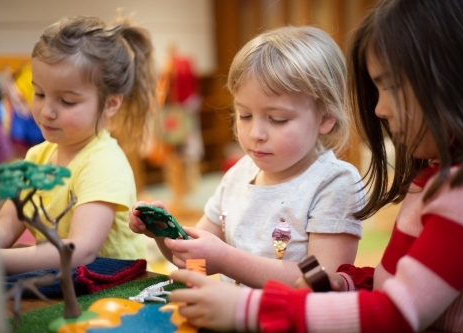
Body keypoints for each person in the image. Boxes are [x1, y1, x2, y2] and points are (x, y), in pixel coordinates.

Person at [166, 0, 463, 331]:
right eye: (244, 115)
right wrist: (346, 284)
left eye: (390, 87)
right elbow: (386, 284)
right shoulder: (438, 177)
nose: (379, 109)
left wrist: (246, 308)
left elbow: (398, 314)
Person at [130, 25, 365, 288]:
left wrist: (225, 259)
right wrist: (166, 234)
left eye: (277, 119)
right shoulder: (238, 175)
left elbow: (322, 282)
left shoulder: (334, 183)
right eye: (245, 115)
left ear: (326, 117)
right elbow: (196, 263)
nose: (256, 133)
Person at [0, 15, 157, 275]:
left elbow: (81, 250)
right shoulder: (36, 157)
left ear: (111, 103)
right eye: (39, 94)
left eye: (67, 101)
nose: (47, 111)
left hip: (112, 289)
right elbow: (3, 228)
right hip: (60, 281)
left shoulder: (104, 162)